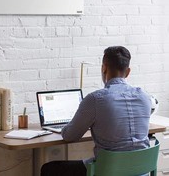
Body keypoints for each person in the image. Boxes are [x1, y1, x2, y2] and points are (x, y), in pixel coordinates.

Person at [41, 46, 152, 176]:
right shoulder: (145, 97)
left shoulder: (95, 99)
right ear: (128, 72)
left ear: (104, 68)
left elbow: (70, 136)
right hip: (141, 170)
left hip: (108, 171)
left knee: (49, 169)